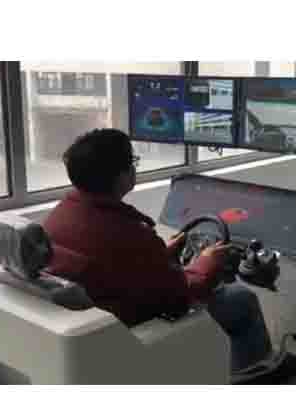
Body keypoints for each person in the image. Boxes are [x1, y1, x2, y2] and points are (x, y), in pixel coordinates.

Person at [43, 129, 272, 373]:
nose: (134, 168)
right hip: (134, 326)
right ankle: (253, 373)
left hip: (96, 315)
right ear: (120, 176)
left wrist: (160, 254)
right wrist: (205, 264)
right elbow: (178, 296)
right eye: (132, 161)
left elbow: (117, 263)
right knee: (241, 298)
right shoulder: (128, 232)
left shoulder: (61, 214)